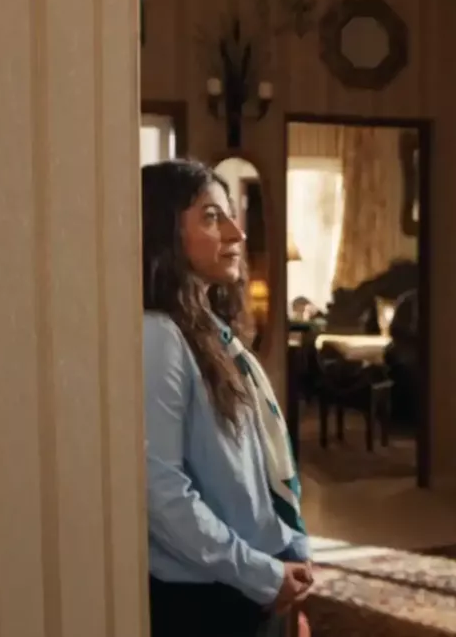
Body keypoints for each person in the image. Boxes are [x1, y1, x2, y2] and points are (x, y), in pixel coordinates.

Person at [142, 159, 313, 637]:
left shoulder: (210, 330)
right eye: (212, 217)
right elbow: (162, 492)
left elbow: (253, 469)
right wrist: (260, 575)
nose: (237, 233)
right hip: (210, 594)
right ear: (164, 230)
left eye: (230, 214)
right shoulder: (159, 336)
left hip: (251, 577)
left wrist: (287, 552)